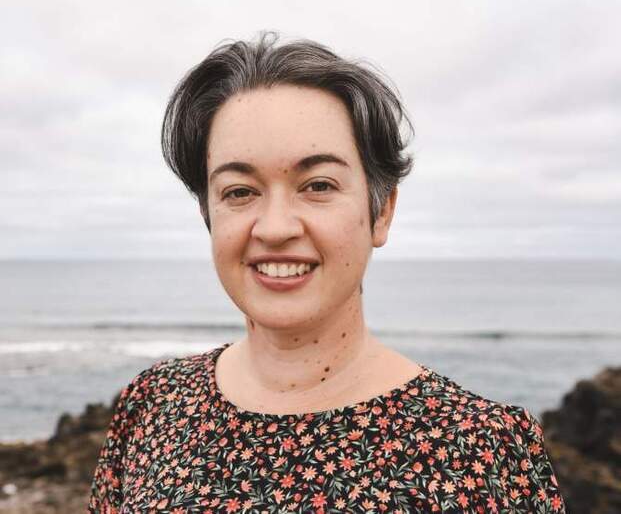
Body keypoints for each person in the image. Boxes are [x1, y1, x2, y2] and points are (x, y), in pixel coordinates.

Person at [88, 32, 566, 513]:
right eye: (239, 191)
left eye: (317, 185)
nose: (275, 228)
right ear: (207, 215)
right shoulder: (153, 403)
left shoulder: (486, 450)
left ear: (382, 211)